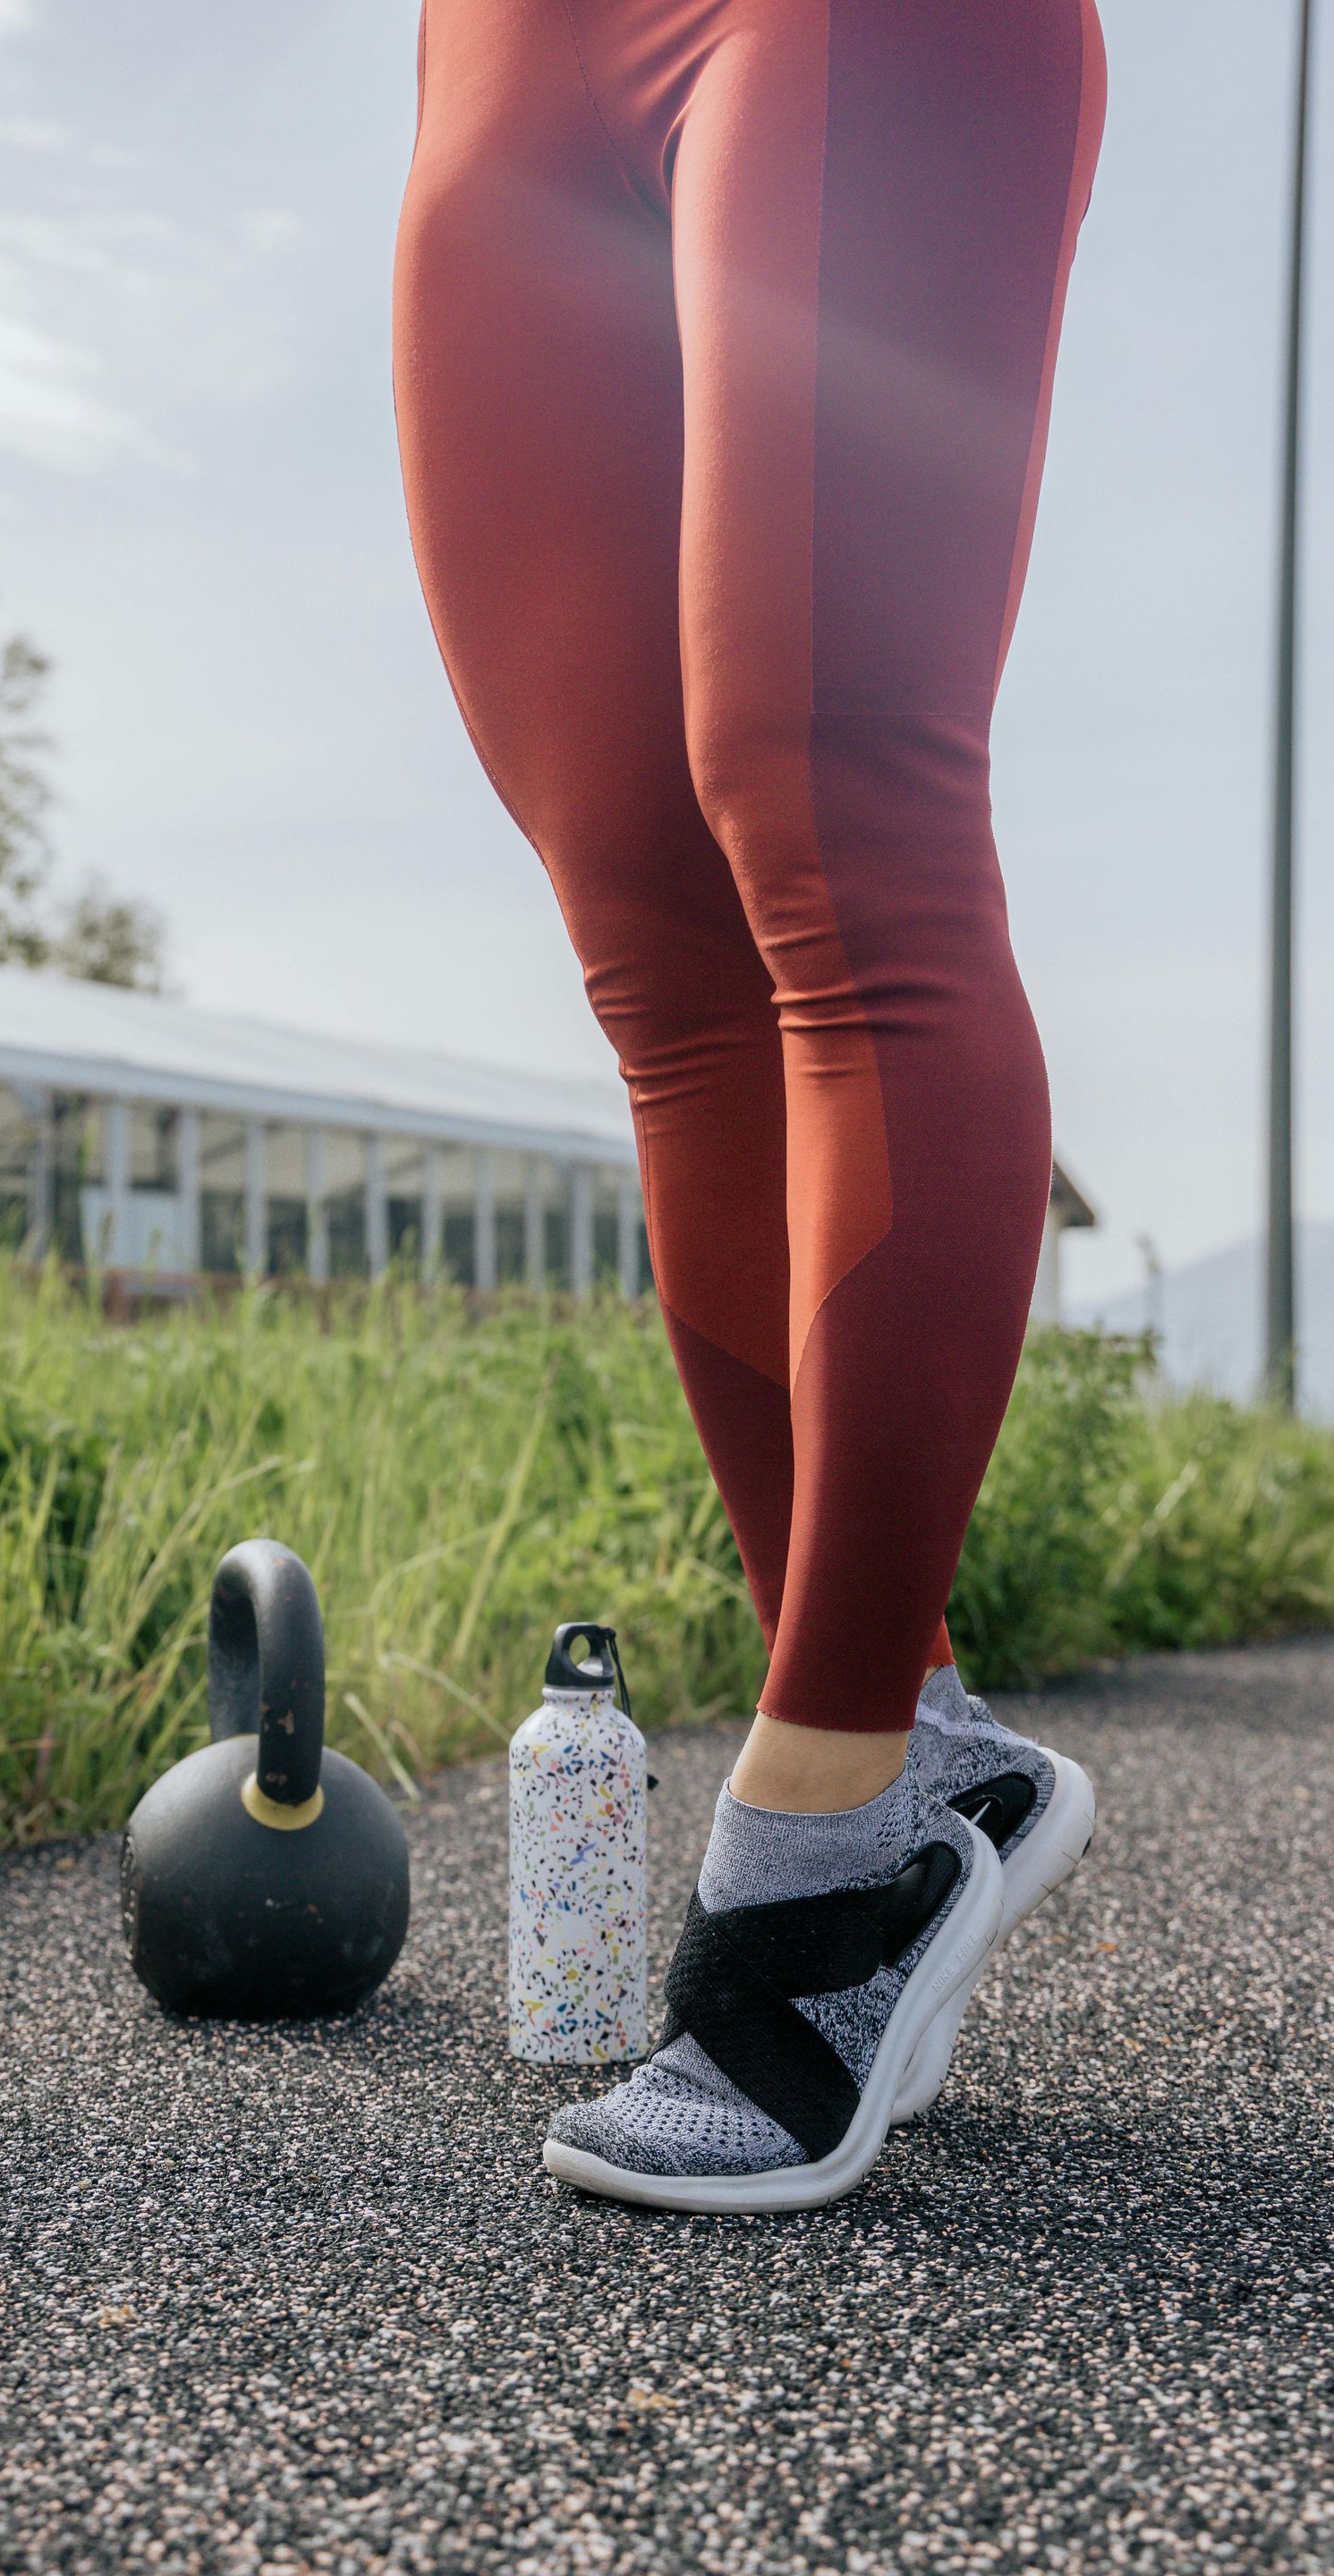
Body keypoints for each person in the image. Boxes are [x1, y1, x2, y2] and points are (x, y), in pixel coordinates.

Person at [394, 0, 1107, 2211]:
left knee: (837, 827)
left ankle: (820, 1846)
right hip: (501, 50)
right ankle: (918, 1744)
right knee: (656, 953)